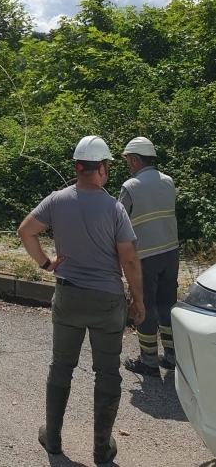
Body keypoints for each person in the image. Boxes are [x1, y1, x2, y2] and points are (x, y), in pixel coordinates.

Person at [18, 135, 145, 466]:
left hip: (68, 296)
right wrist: (138, 299)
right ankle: (102, 449)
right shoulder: (115, 208)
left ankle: (54, 439)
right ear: (101, 168)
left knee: (61, 365)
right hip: (107, 301)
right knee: (107, 371)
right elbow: (129, 259)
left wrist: (46, 264)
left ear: (78, 167)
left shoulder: (57, 200)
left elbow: (25, 231)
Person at [119, 136, 179, 377]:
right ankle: (173, 357)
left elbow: (117, 221)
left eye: (127, 160)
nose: (127, 164)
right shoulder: (169, 182)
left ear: (134, 159)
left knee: (145, 306)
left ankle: (148, 361)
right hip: (171, 252)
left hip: (145, 255)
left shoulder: (130, 187)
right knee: (167, 305)